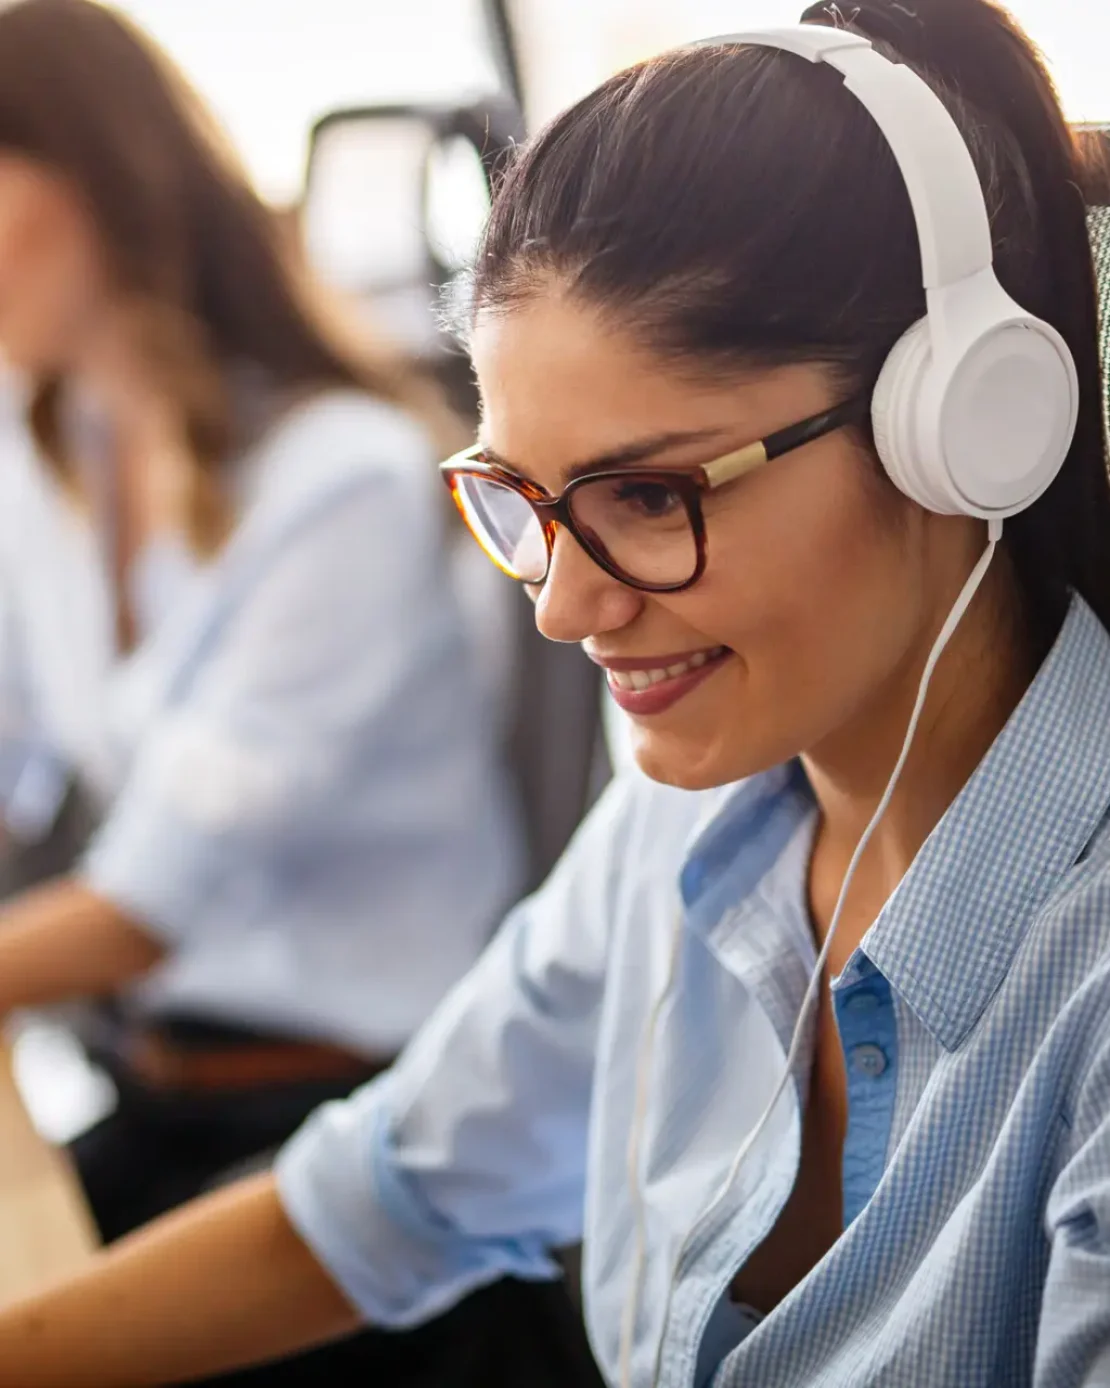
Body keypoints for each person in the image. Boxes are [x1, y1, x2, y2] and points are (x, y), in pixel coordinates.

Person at [1, 0, 1109, 1384]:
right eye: (521, 501)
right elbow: (375, 1204)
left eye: (647, 496)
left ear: (957, 432)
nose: (562, 607)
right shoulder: (689, 826)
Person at [0, 0, 522, 1261]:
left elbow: (145, 902)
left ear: (93, 179)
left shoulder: (341, 480)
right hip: (164, 1084)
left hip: (343, 1114)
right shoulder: (50, 442)